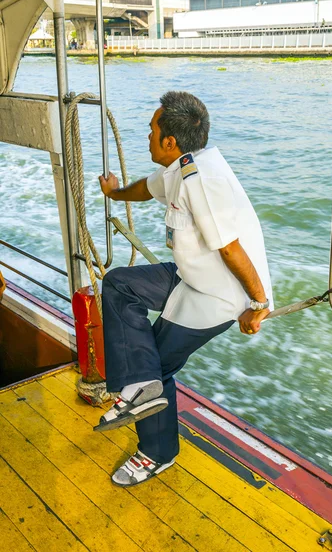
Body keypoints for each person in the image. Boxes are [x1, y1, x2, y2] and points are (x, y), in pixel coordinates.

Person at [97, 91, 274, 487]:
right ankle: (140, 385)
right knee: (119, 285)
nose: (146, 136)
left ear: (169, 141)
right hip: (191, 275)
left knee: (156, 366)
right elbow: (148, 187)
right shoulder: (182, 165)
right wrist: (115, 192)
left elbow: (230, 247)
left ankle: (156, 454)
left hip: (220, 295)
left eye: (151, 130)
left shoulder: (201, 181)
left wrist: (258, 303)